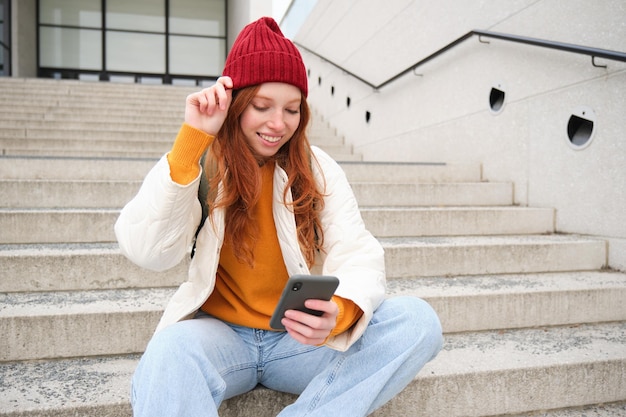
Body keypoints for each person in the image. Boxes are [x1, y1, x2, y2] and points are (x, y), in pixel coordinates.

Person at [115, 16, 442, 417]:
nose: (278, 123)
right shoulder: (201, 161)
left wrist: (340, 312)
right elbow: (147, 251)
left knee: (417, 321)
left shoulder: (317, 168)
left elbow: (357, 251)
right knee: (168, 352)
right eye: (262, 106)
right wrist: (191, 141)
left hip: (297, 341)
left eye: (291, 109)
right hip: (222, 338)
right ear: (236, 103)